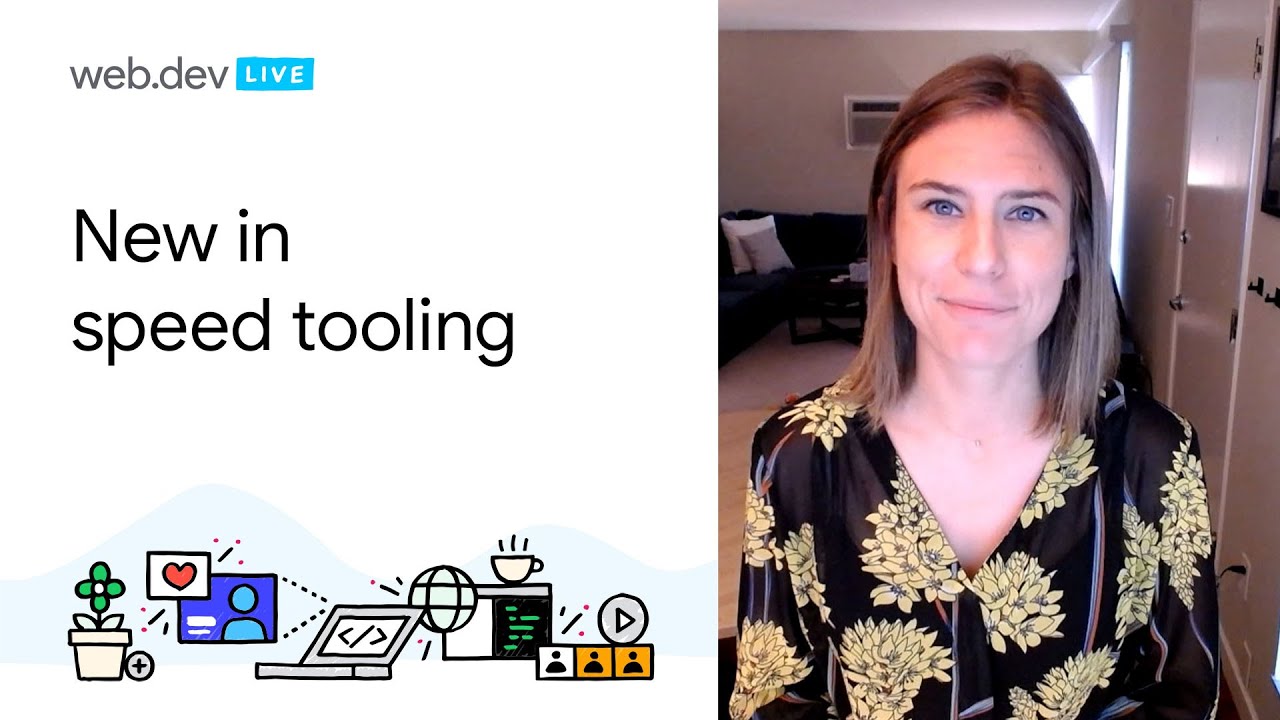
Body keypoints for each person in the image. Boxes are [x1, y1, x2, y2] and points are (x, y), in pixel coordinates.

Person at [729, 54, 1219, 720]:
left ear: (1075, 247)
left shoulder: (1156, 456)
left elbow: (1181, 697)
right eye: (942, 206)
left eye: (1026, 212)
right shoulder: (795, 457)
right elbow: (774, 699)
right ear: (890, 230)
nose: (982, 258)